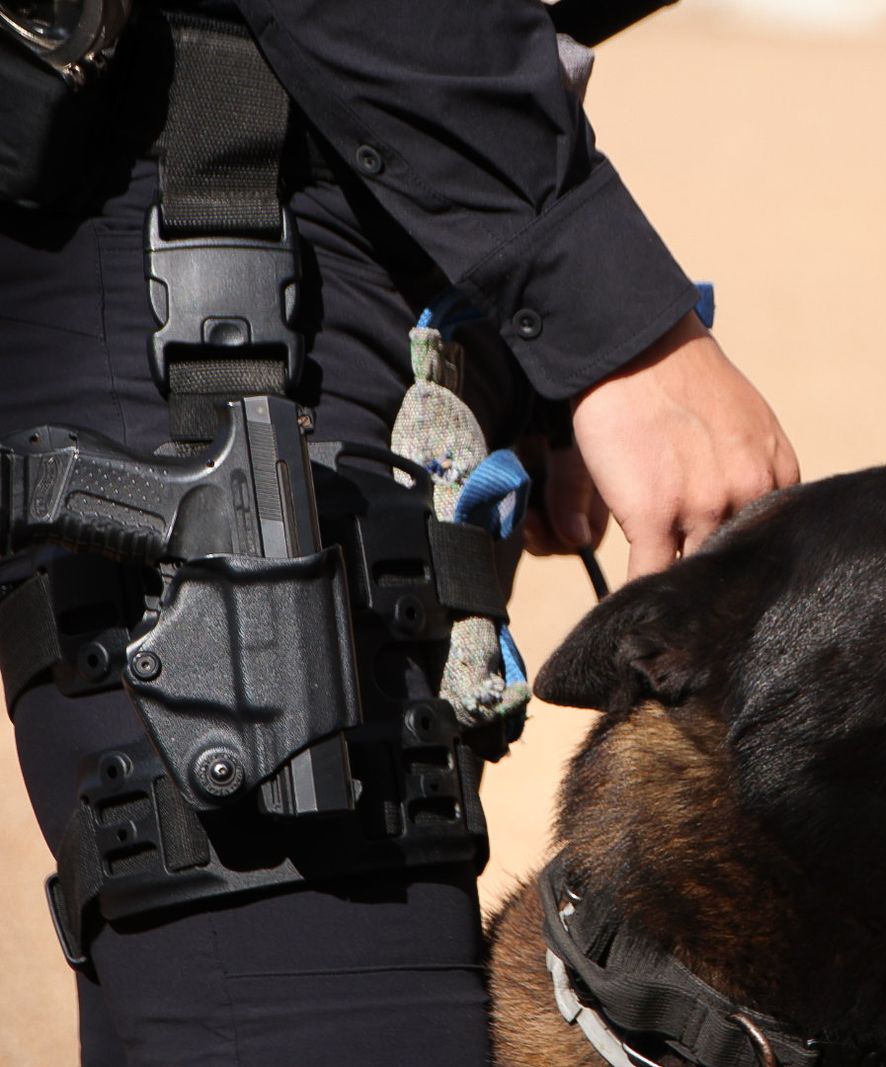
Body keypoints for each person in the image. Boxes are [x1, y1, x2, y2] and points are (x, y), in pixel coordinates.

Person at [0, 0, 798, 1061]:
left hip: (319, 215)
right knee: (322, 996)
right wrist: (615, 330)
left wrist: (534, 337)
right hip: (203, 221)